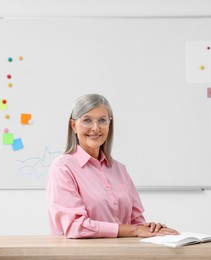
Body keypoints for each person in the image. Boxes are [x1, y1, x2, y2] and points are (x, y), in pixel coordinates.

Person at [46, 94, 179, 238]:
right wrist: (134, 230)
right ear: (73, 126)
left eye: (102, 120)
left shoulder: (119, 169)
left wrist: (151, 229)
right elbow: (75, 227)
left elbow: (135, 223)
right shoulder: (62, 168)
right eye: (87, 120)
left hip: (122, 253)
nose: (95, 128)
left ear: (109, 125)